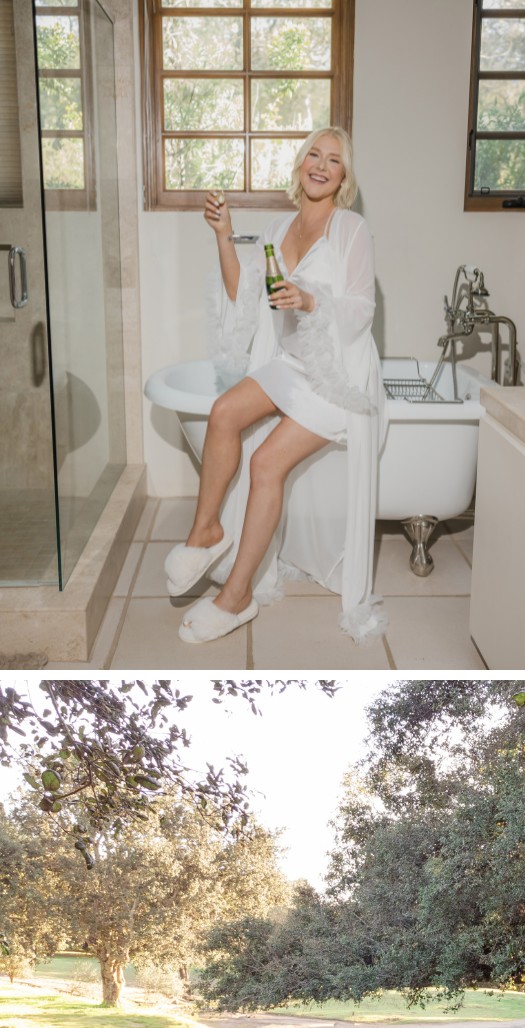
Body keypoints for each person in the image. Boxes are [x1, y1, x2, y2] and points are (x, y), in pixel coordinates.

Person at [165, 126, 386, 644]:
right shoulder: (277, 226)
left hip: (338, 376)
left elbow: (362, 310)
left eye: (333, 160)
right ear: (300, 164)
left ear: (343, 177)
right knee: (223, 413)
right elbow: (245, 294)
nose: (320, 165)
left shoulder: (350, 228)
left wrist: (310, 300)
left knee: (266, 462)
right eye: (314, 154)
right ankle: (207, 531)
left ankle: (237, 596)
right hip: (292, 363)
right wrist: (223, 235)